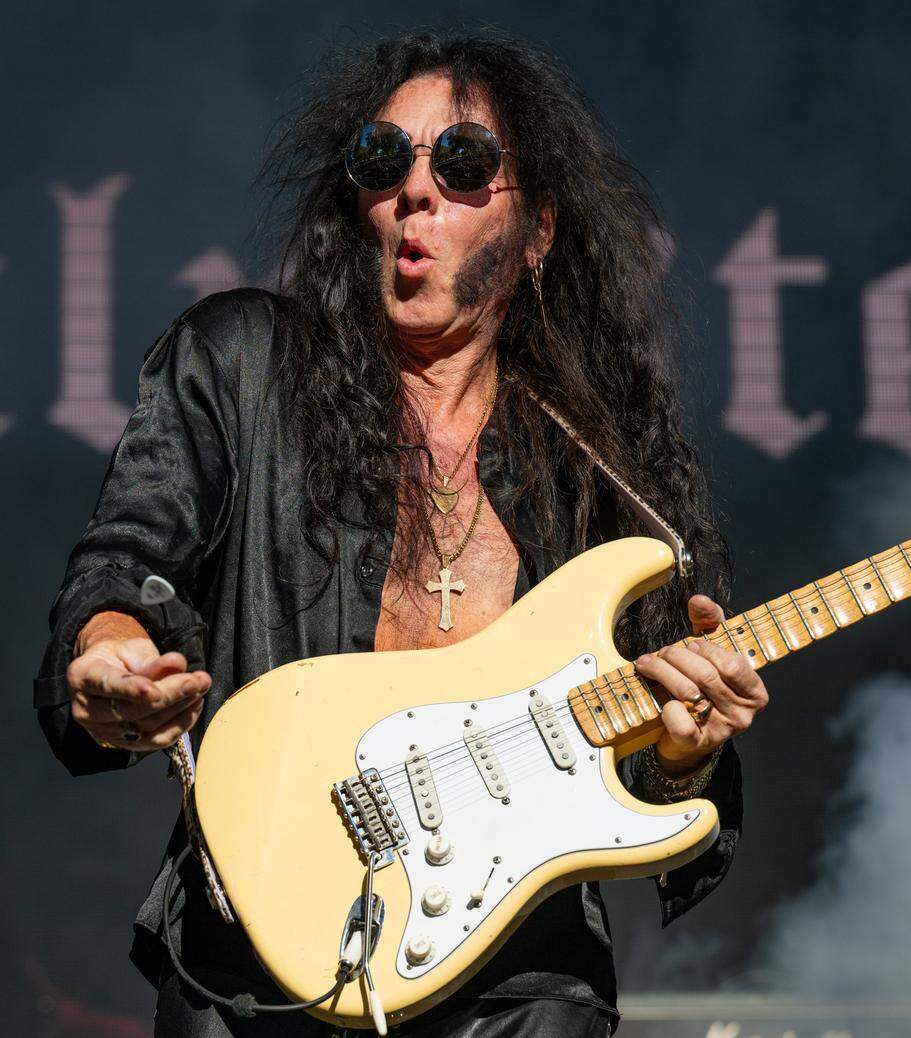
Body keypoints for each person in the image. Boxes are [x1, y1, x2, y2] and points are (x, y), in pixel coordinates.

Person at [33, 29, 769, 1037]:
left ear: (539, 229)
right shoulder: (242, 366)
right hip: (261, 974)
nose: (417, 190)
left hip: (519, 998)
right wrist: (108, 649)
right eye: (386, 160)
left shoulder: (595, 469)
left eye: (463, 163)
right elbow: (129, 557)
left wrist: (681, 759)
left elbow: (648, 792)